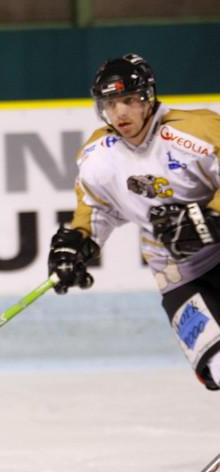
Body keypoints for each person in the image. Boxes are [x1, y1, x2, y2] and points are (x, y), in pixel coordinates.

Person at [48, 53, 220, 388]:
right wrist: (78, 243)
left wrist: (210, 219)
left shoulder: (198, 131)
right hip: (178, 275)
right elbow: (97, 209)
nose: (120, 113)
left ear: (148, 97)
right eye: (110, 104)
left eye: (128, 100)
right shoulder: (98, 155)